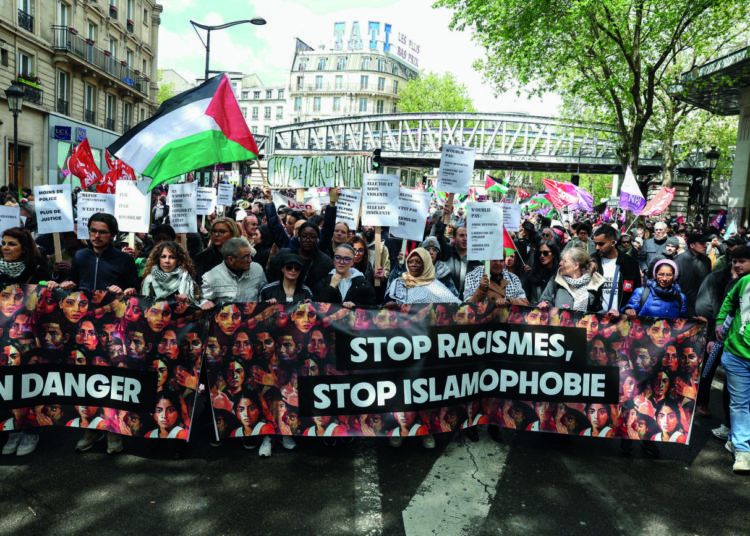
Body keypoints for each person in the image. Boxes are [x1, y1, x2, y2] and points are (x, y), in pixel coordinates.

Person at [46, 213, 138, 455]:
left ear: (112, 235)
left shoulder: (123, 260)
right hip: (85, 329)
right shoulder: (80, 256)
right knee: (87, 378)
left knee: (112, 378)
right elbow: (74, 283)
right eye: (93, 230)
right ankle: (91, 428)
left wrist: (125, 290)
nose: (96, 236)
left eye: (103, 232)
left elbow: (134, 290)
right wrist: (66, 285)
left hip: (113, 328)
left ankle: (112, 429)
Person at [716, 267, 750, 473]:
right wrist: (720, 323)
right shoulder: (745, 281)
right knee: (740, 404)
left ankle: (735, 438)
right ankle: (743, 452)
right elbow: (728, 301)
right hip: (737, 354)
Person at [201, 238, 267, 310]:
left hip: (252, 318)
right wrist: (205, 303)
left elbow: (265, 293)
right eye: (245, 257)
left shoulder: (257, 269)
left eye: (250, 255)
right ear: (231, 260)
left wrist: (268, 301)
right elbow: (203, 300)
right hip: (227, 319)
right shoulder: (211, 277)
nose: (250, 260)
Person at [384, 248, 461, 306]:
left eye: (418, 261)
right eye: (410, 261)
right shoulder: (398, 282)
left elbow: (456, 305)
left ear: (426, 264)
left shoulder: (436, 285)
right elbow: (385, 305)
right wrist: (391, 305)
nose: (413, 264)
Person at [593, 225, 642, 314]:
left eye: (601, 244)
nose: (597, 247)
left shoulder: (630, 263)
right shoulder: (591, 261)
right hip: (597, 319)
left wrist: (629, 309)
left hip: (622, 319)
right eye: (595, 244)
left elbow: (637, 291)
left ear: (612, 243)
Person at [537, 248, 604, 313]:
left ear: (576, 266)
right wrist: (545, 305)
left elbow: (598, 311)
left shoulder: (594, 282)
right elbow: (544, 299)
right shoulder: (556, 279)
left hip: (583, 323)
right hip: (558, 322)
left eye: (564, 261)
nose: (560, 263)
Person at [193, 218, 242, 284]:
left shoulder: (242, 257)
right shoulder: (201, 258)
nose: (217, 234)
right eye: (214, 231)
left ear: (232, 234)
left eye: (222, 232)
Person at [463, 258, 529, 306]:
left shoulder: (513, 278)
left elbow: (524, 303)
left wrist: (509, 301)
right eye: (494, 259)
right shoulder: (472, 276)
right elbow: (467, 306)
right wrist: (481, 289)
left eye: (501, 260)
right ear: (487, 260)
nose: (498, 263)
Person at [675, 233, 712, 317]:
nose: (705, 246)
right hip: (683, 304)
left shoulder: (706, 261)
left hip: (702, 304)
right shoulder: (679, 260)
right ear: (692, 245)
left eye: (705, 243)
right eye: (702, 244)